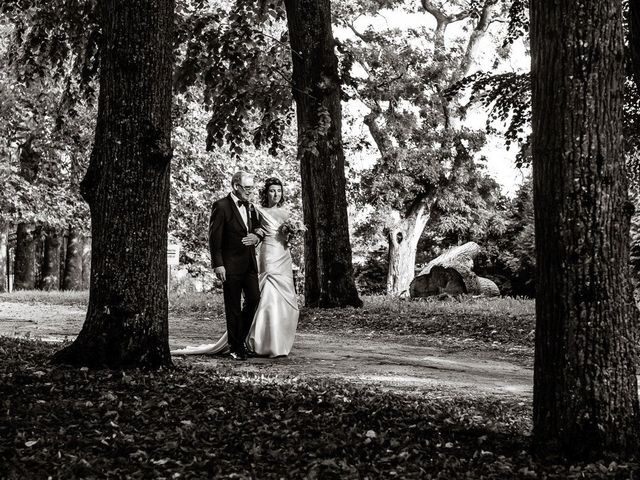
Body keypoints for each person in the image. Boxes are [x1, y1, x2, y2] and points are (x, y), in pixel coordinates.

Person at [171, 176, 300, 358]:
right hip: (230, 264)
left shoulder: (249, 206)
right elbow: (214, 238)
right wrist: (218, 265)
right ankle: (235, 347)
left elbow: (257, 228)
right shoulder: (221, 206)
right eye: (246, 187)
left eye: (251, 187)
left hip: (249, 263)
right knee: (232, 306)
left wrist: (257, 236)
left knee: (254, 299)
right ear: (236, 186)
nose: (249, 190)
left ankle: (241, 339)